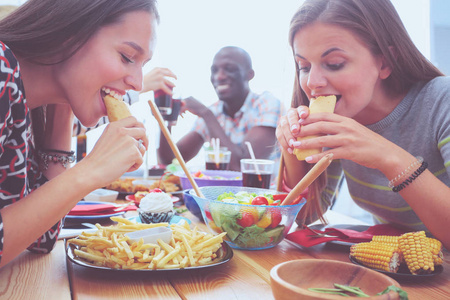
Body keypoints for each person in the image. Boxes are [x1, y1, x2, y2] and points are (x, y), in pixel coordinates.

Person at [276, 0, 450, 249]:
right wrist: (292, 146)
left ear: (385, 62)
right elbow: (303, 218)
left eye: (334, 63)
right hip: (395, 270)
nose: (312, 82)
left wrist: (390, 158)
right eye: (303, 66)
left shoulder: (442, 100)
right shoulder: (341, 115)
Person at [0, 0, 159, 267]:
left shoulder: (33, 108)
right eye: (127, 57)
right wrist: (89, 171)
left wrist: (62, 109)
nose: (138, 83)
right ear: (69, 33)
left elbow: (40, 239)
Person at [157, 46, 283, 171]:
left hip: (264, 191)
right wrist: (165, 119)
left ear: (249, 74)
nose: (219, 76)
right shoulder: (214, 111)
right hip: (224, 191)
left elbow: (242, 169)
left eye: (229, 69)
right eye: (214, 70)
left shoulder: (267, 104)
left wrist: (206, 114)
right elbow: (170, 160)